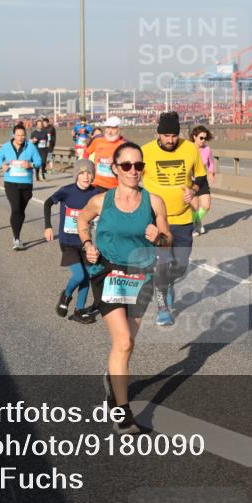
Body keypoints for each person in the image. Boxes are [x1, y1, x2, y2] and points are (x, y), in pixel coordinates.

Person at [77, 142, 172, 434]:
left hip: (140, 276)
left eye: (138, 165)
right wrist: (87, 244)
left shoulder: (154, 202)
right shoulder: (101, 201)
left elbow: (167, 239)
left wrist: (158, 238)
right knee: (124, 342)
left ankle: (111, 379)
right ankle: (123, 412)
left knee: (127, 341)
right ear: (115, 168)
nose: (134, 171)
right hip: (108, 273)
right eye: (127, 165)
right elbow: (82, 219)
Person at [141, 111, 209, 327]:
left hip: (183, 218)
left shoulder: (190, 149)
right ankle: (162, 309)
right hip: (157, 218)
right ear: (158, 134)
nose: (170, 140)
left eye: (174, 136)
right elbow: (131, 178)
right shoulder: (146, 152)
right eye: (166, 136)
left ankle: (168, 283)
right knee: (162, 265)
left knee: (180, 265)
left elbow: (201, 176)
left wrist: (193, 190)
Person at [44, 160, 103, 324]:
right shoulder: (67, 191)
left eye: (89, 173)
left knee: (87, 276)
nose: (86, 176)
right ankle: (66, 295)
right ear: (76, 175)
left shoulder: (96, 193)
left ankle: (79, 311)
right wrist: (48, 226)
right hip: (68, 242)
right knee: (79, 275)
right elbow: (48, 203)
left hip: (86, 243)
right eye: (82, 173)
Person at [0, 124, 42, 250]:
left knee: (21, 211)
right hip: (11, 182)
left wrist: (30, 164)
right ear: (13, 135)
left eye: (23, 135)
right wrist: (2, 165)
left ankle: (17, 234)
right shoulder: (6, 146)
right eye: (18, 135)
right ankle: (16, 238)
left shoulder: (31, 146)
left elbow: (39, 162)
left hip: (26, 183)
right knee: (16, 208)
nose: (21, 137)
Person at [85, 116, 126, 192]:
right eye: (108, 128)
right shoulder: (97, 140)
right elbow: (86, 152)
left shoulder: (125, 144)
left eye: (113, 128)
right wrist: (86, 169)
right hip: (97, 184)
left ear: (120, 129)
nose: (110, 132)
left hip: (116, 186)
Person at [189, 125, 215, 235]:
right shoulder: (188, 148)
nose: (203, 140)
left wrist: (211, 173)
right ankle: (194, 227)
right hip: (191, 181)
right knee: (194, 207)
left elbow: (210, 163)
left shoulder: (207, 149)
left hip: (202, 179)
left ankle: (196, 221)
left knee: (206, 205)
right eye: (201, 138)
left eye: (205, 138)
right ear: (194, 137)